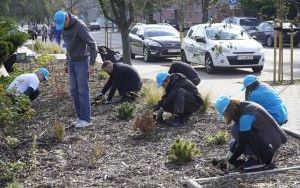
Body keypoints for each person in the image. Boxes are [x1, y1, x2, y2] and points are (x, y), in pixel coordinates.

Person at [214, 96, 287, 171]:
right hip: (269, 136)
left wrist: (232, 160)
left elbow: (242, 142)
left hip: (272, 142)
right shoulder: (242, 106)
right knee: (233, 143)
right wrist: (231, 152)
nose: (225, 116)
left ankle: (262, 160)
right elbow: (240, 138)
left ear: (228, 111)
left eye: (224, 114)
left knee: (236, 131)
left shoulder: (245, 117)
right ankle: (256, 155)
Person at [54, 10, 97, 128]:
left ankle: (86, 119)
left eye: (63, 25)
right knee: (73, 91)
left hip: (82, 62)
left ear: (67, 19)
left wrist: (92, 64)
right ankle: (80, 117)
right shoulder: (63, 26)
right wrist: (66, 61)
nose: (62, 28)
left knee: (83, 91)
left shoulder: (80, 26)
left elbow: (93, 44)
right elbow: (67, 46)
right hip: (72, 62)